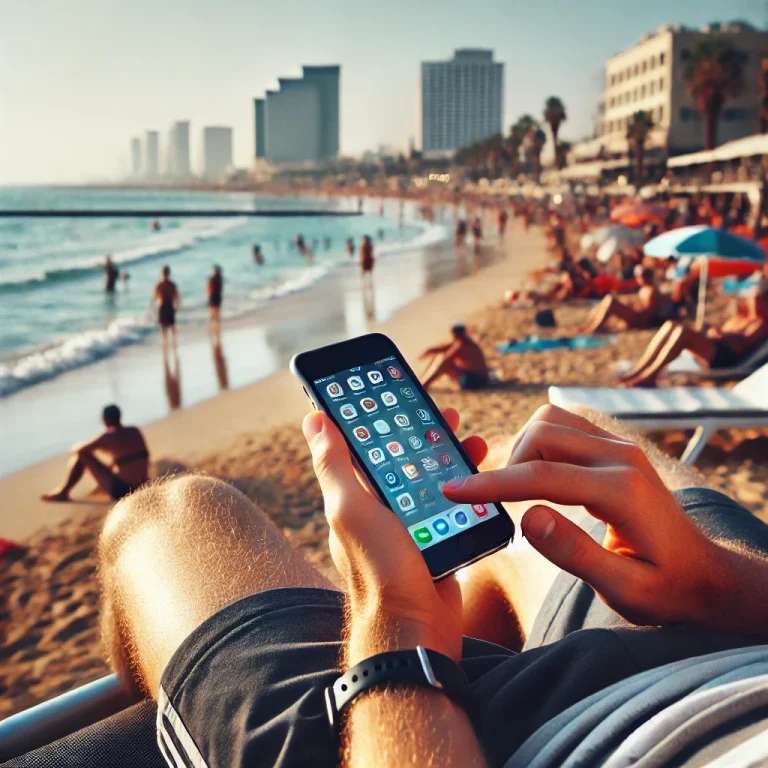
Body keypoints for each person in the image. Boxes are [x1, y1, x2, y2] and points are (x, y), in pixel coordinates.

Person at [98, 405, 768, 768]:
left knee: (168, 515)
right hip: (723, 637)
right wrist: (721, 582)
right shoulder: (720, 594)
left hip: (430, 730)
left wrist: (399, 631)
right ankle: (468, 653)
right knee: (539, 446)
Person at [621, 284, 768, 387]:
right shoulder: (741, 317)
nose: (752, 304)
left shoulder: (762, 323)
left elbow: (744, 343)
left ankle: (650, 376)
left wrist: (722, 335)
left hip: (726, 357)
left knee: (683, 333)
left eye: (756, 301)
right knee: (670, 325)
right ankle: (640, 370)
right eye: (751, 300)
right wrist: (713, 331)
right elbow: (723, 331)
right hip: (717, 346)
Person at [42, 404, 148, 503]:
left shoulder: (108, 436)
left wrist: (77, 447)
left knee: (82, 455)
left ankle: (63, 492)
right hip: (142, 486)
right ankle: (98, 487)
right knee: (117, 463)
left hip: (122, 491)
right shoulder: (135, 431)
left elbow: (79, 450)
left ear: (105, 420)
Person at [578, 266, 666, 334]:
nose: (638, 279)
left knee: (611, 301)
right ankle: (590, 325)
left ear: (646, 277)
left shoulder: (652, 291)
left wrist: (634, 309)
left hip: (639, 321)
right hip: (637, 316)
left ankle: (595, 327)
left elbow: (648, 314)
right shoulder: (645, 289)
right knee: (607, 300)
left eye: (640, 277)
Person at [420, 323, 489, 390]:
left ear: (455, 333)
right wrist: (429, 351)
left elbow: (446, 359)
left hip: (474, 381)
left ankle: (424, 384)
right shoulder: (464, 342)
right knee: (439, 356)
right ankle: (423, 380)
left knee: (443, 361)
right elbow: (444, 348)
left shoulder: (462, 345)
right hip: (479, 378)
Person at [153, 265, 180, 351]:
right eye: (163, 272)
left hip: (169, 305)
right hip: (162, 306)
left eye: (165, 272)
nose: (164, 274)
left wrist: (176, 306)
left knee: (172, 326)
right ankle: (164, 343)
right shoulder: (159, 285)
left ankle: (174, 343)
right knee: (163, 327)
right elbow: (154, 297)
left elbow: (177, 296)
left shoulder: (171, 285)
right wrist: (154, 309)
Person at [207, 265, 223, 342]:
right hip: (216, 296)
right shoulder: (219, 278)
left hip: (213, 296)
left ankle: (213, 327)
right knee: (215, 313)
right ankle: (215, 327)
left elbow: (208, 288)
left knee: (213, 313)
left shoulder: (213, 278)